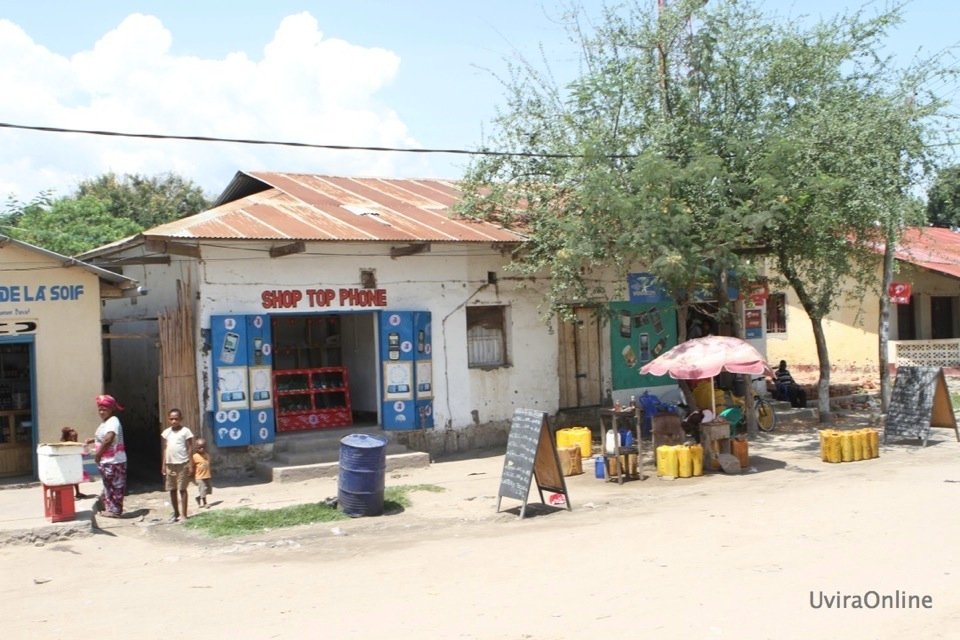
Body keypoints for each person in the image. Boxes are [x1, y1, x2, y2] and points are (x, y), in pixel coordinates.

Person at [86, 394, 127, 518]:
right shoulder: (106, 422)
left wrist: (98, 455)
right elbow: (104, 437)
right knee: (108, 486)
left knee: (115, 486)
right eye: (100, 409)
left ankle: (115, 511)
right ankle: (111, 509)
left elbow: (108, 439)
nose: (101, 412)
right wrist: (93, 440)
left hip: (114, 461)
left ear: (111, 409)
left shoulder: (113, 421)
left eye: (104, 409)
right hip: (108, 460)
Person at [161, 408, 194, 522]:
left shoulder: (186, 431)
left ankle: (184, 514)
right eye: (171, 419)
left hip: (182, 463)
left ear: (181, 419)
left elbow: (190, 448)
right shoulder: (167, 432)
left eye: (176, 419)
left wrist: (190, 464)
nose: (174, 421)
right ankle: (176, 513)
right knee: (172, 489)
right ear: (168, 419)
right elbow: (165, 448)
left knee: (182, 489)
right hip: (170, 464)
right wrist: (163, 464)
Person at [60, 427, 91, 499]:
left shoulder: (74, 443)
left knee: (75, 479)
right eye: (73, 437)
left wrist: (85, 447)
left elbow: (81, 452)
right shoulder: (66, 444)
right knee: (70, 479)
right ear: (67, 436)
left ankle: (77, 493)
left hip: (74, 463)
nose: (75, 439)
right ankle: (69, 495)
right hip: (68, 464)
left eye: (76, 437)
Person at [192, 438, 212, 508]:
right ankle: (205, 503)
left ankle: (199, 497)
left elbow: (208, 464)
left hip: (207, 475)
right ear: (196, 448)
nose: (202, 449)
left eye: (203, 447)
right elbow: (192, 466)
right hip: (199, 477)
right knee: (202, 489)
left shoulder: (207, 455)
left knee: (209, 490)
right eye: (200, 448)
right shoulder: (195, 456)